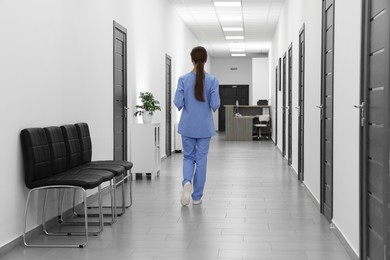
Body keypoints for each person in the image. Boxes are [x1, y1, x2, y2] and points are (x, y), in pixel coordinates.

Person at [174, 46, 220, 206]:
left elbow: (178, 103)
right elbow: (215, 104)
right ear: (206, 60)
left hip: (187, 126)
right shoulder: (213, 80)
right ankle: (197, 197)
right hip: (204, 128)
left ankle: (187, 182)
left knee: (188, 157)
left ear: (192, 59)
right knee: (201, 160)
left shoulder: (183, 79)